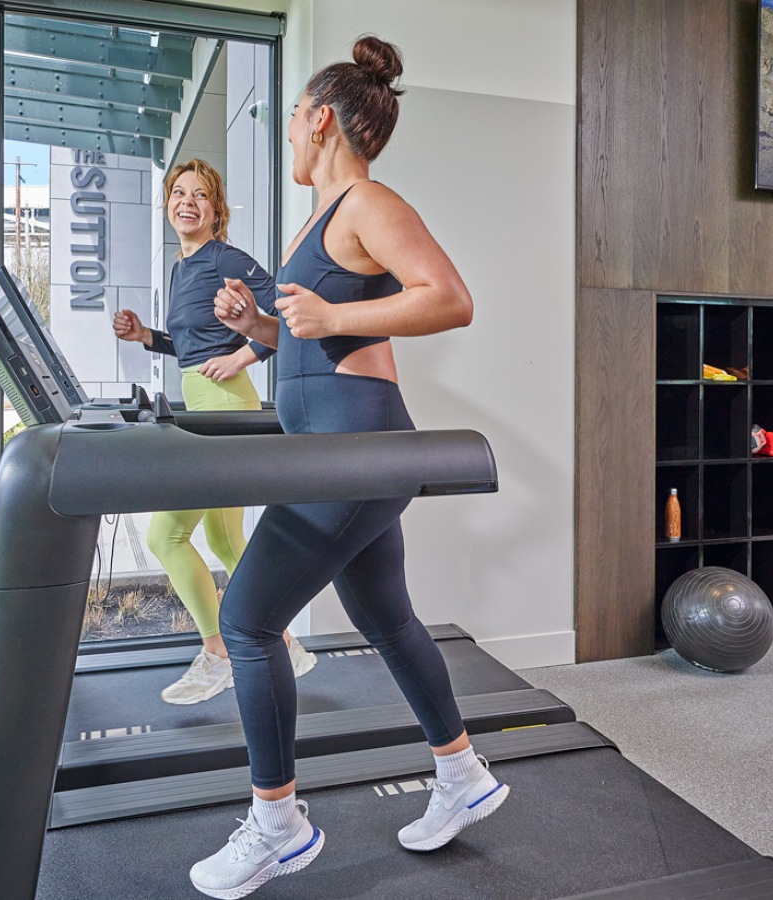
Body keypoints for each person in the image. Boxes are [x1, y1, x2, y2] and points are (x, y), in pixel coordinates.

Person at [188, 36, 507, 899]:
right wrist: (259, 327)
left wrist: (327, 319)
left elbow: (450, 298)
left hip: (354, 448)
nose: (289, 131)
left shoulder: (368, 201)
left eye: (293, 116)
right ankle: (461, 773)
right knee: (386, 617)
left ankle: (278, 824)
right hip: (336, 446)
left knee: (247, 622)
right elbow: (316, 336)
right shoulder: (318, 220)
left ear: (321, 119)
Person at [112, 159, 316, 705]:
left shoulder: (225, 258)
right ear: (167, 203)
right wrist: (147, 336)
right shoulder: (181, 268)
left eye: (200, 195)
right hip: (200, 399)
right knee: (226, 539)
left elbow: (291, 315)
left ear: (216, 209)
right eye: (178, 192)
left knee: (166, 536)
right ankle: (285, 641)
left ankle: (217, 653)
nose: (187, 202)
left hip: (225, 401)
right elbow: (192, 344)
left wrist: (244, 356)